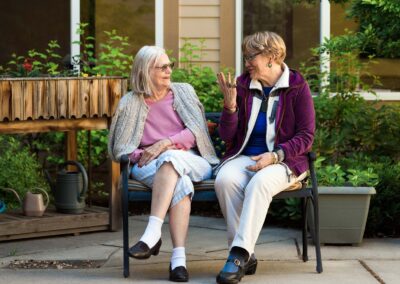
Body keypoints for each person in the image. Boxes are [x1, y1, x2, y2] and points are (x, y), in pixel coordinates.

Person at [108, 45, 219, 282]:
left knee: (171, 160)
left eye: (170, 66)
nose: (169, 71)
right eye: (163, 67)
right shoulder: (130, 102)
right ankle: (178, 261)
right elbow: (122, 149)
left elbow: (197, 132)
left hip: (192, 159)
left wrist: (165, 144)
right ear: (146, 70)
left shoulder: (184, 92)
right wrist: (147, 154)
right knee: (180, 184)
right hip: (149, 164)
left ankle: (152, 234)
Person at [214, 31, 315, 284]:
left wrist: (275, 155)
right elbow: (227, 136)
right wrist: (230, 107)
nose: (246, 62)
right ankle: (248, 253)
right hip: (245, 155)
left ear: (271, 56)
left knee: (260, 183)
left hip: (285, 159)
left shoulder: (297, 86)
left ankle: (237, 256)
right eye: (245, 57)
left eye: (251, 56)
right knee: (224, 180)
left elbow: (306, 135)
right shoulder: (243, 84)